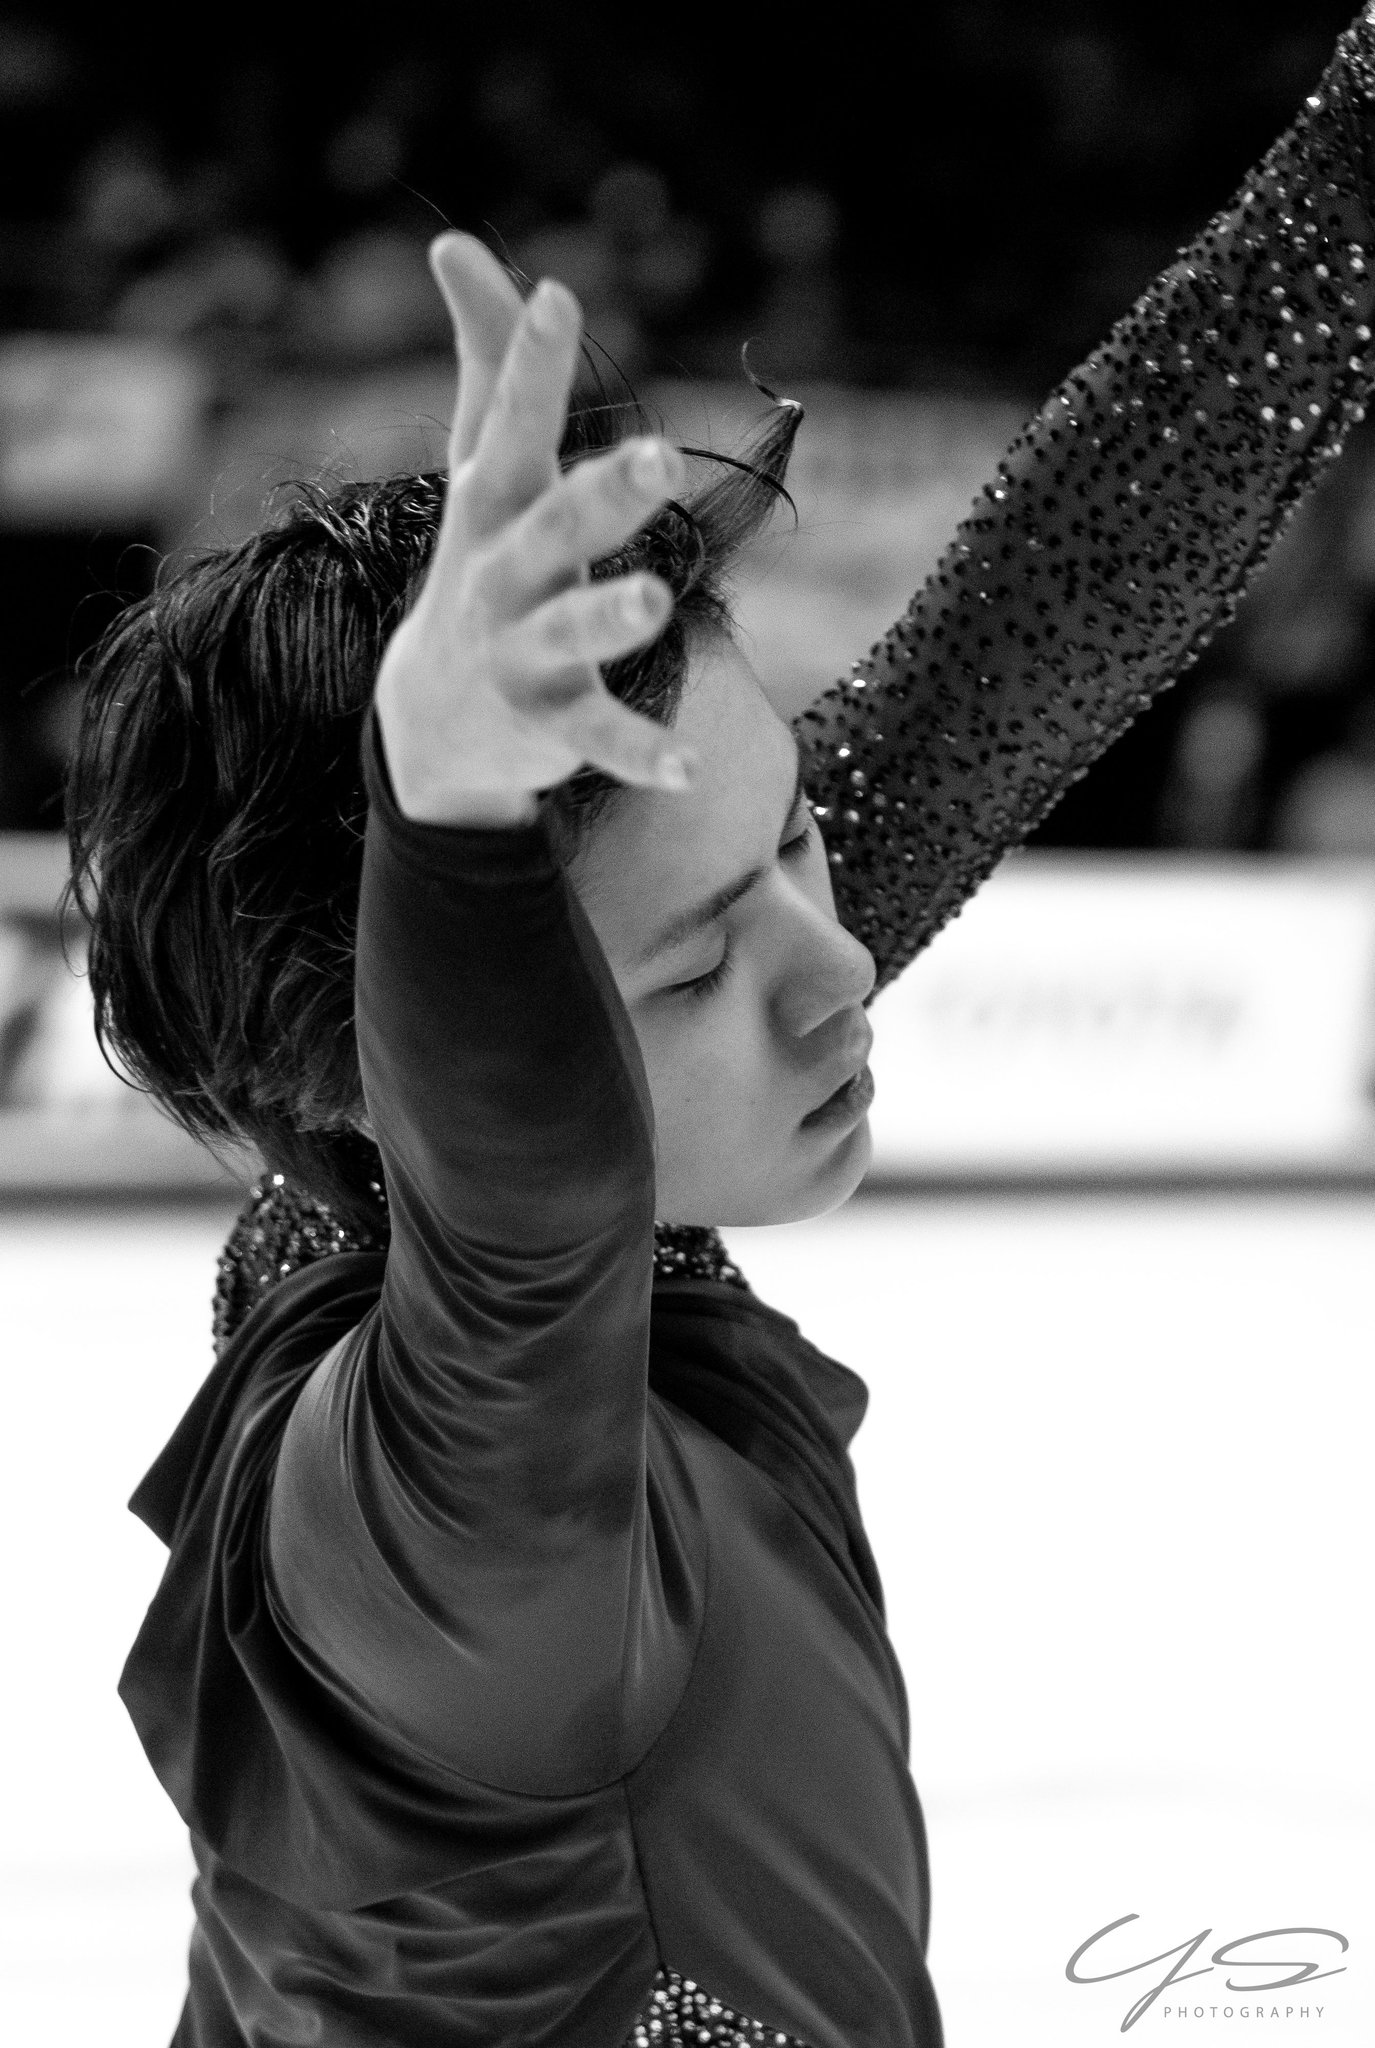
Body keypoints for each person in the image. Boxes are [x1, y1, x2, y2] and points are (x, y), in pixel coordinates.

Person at [67, 10, 1375, 2046]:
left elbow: (1027, 631)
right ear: (387, 1068)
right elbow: (522, 1224)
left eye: (795, 840)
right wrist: (446, 832)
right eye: (690, 970)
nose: (835, 961)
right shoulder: (430, 1530)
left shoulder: (390, 1207)